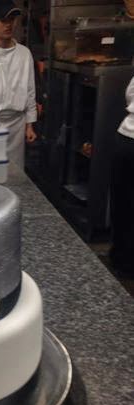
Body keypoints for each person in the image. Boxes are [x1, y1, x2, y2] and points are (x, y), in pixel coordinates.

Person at [0, 0, 37, 170]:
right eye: (3, 20)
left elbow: (30, 90)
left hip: (17, 124)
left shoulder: (24, 53)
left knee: (16, 173)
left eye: (12, 19)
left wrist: (30, 124)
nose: (8, 25)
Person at [109, 75, 134, 277]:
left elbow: (129, 95)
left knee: (122, 201)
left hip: (126, 137)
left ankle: (120, 257)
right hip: (127, 140)